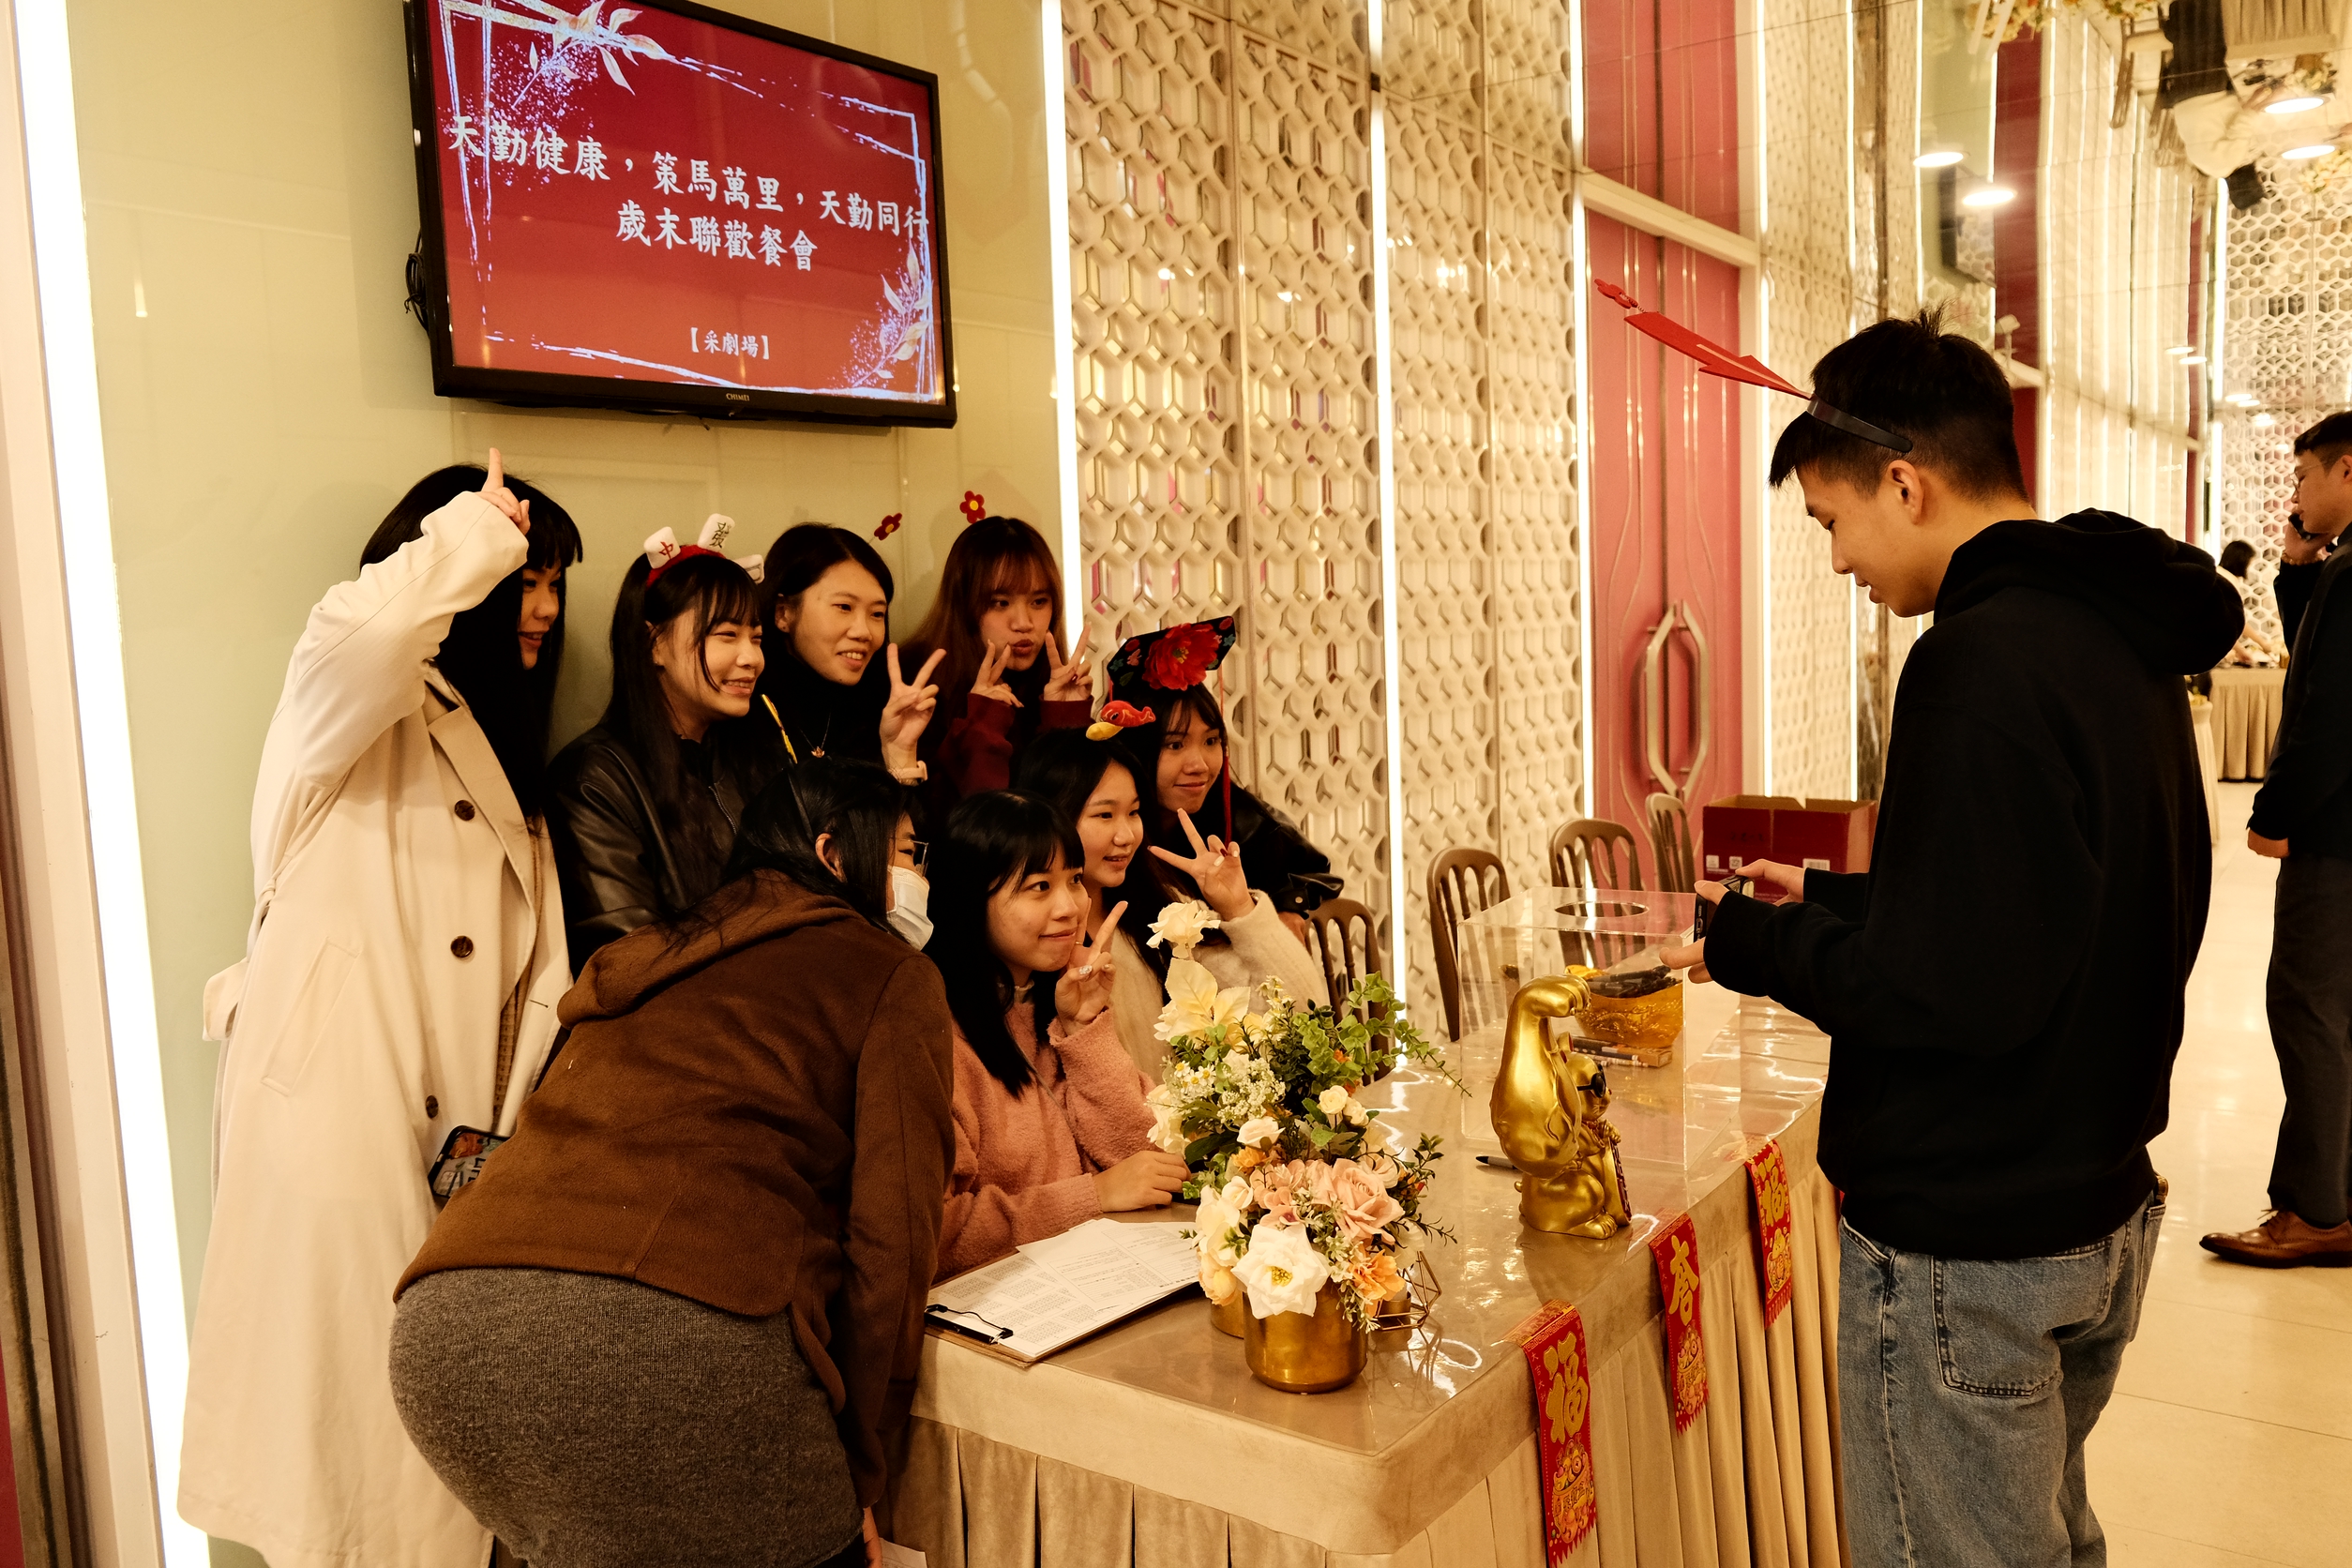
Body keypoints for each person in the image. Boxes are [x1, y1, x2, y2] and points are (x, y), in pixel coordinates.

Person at [1658, 310, 2240, 1568]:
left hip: (1972, 1244)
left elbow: (1945, 993)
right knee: (2045, 1541)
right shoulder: (2112, 630)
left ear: (1905, 482)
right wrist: (1830, 903)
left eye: (1833, 522)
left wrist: (1749, 943)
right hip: (2093, 1200)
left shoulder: (1976, 660)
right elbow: (2052, 908)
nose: (1836, 562)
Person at [390, 759, 949, 1568]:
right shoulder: (889, 972)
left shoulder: (639, 959)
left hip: (447, 1332)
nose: (918, 874)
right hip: (674, 1342)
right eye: (906, 851)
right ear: (834, 854)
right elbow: (893, 1243)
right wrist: (861, 1464)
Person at [181, 453, 584, 1568]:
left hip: (459, 1160)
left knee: (425, 1479)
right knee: (356, 1474)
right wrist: (474, 530)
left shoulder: (502, 747)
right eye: (527, 577)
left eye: (554, 580)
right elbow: (364, 632)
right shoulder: (350, 707)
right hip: (342, 1127)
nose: (543, 606)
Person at [924, 791, 1188, 1276]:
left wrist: (1084, 1026)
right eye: (1040, 887)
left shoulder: (1056, 1001)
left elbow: (1152, 1159)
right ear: (969, 899)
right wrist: (1093, 1195)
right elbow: (936, 1234)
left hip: (1104, 1275)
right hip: (999, 1304)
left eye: (1075, 880)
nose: (1070, 907)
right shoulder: (935, 1033)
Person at [2206, 413, 2352, 1267]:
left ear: (2346, 470)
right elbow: (2320, 655)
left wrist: (2274, 812)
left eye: (2303, 477)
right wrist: (2299, 572)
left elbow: (2327, 713)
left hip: (2335, 836)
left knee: (2309, 1009)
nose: (2295, 493)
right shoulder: (2341, 570)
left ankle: (2315, 1209)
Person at [1016, 727, 1329, 1080]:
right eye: (1105, 815)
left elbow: (1302, 1016)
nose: (1127, 835)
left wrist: (1240, 908)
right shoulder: (1033, 937)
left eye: (1134, 812)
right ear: (1050, 819)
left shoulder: (1164, 912)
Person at [549, 520, 781, 966]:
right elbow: (630, 954)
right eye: (726, 635)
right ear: (654, 643)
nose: (752, 658)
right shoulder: (593, 778)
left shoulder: (755, 760)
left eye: (756, 638)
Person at [1105, 618, 1342, 935]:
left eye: (1211, 741)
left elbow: (1316, 872)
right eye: (1175, 745)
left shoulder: (1248, 822)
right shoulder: (1108, 834)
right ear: (1132, 750)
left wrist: (1287, 905)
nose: (1199, 765)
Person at [901, 512, 1094, 802]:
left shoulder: (1047, 685)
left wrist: (1065, 719)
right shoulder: (918, 685)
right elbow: (974, 821)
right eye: (1001, 603)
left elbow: (1075, 812)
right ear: (965, 606)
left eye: (1039, 601)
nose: (1024, 623)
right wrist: (982, 724)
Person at [756, 522, 942, 784]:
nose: (864, 632)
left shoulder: (882, 710)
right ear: (783, 613)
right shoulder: (748, 710)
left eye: (877, 614)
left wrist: (900, 756)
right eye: (844, 607)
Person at [2217, 537, 2287, 664]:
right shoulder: (2228, 581)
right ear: (2242, 561)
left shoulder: (2217, 573)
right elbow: (2233, 622)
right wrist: (2260, 645)